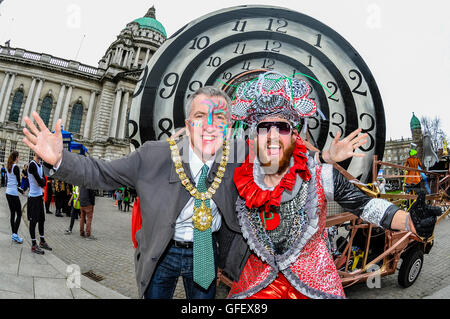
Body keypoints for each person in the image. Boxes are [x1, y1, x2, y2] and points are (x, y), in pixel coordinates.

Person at [22, 86, 370, 299]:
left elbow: (278, 156)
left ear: (228, 127)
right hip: (163, 252)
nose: (208, 126)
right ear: (188, 123)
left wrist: (323, 157)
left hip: (207, 256)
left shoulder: (237, 158)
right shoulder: (155, 155)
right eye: (200, 117)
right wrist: (61, 160)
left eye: (218, 119)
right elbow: (101, 174)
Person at [224, 72, 441, 299]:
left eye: (282, 127)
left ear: (294, 135)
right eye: (264, 127)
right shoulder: (239, 179)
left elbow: (365, 206)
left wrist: (408, 221)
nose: (273, 135)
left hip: (314, 285)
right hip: (256, 286)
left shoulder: (320, 175)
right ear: (253, 135)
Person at [27, 153, 52, 254]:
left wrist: (42, 181)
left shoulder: (40, 166)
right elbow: (41, 182)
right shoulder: (32, 165)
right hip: (33, 198)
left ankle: (42, 241)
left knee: (42, 220)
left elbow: (43, 182)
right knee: (33, 222)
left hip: (39, 197)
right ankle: (33, 245)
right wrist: (41, 181)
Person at [5, 151, 24, 244]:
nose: (19, 158)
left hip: (8, 192)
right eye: (18, 157)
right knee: (19, 213)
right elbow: (19, 183)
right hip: (13, 193)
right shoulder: (15, 167)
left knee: (13, 213)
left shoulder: (8, 166)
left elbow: (11, 181)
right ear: (16, 157)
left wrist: (20, 191)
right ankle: (15, 234)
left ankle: (14, 234)